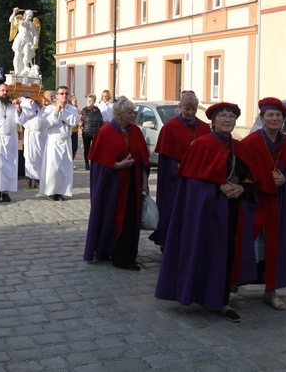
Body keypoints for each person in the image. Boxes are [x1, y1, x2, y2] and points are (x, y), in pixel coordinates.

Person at [154, 102, 257, 323]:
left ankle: (222, 299)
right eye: (223, 116)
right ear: (213, 121)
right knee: (206, 252)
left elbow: (250, 178)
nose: (227, 120)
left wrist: (241, 188)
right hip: (206, 212)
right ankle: (201, 294)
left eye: (231, 116)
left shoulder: (239, 148)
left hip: (233, 211)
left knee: (227, 253)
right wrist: (217, 186)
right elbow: (190, 181)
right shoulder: (201, 144)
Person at [241, 97, 286, 311]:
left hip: (279, 204)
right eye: (270, 115)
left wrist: (285, 180)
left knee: (275, 248)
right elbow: (240, 174)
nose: (275, 118)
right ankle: (232, 283)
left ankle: (271, 291)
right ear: (262, 118)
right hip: (255, 203)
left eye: (278, 115)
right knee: (245, 244)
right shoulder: (251, 142)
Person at [84, 96, 150, 271]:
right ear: (119, 114)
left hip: (133, 185)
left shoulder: (135, 131)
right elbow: (99, 163)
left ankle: (126, 254)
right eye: (129, 112)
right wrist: (120, 165)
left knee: (130, 220)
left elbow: (143, 159)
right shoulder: (105, 132)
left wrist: (144, 181)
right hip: (113, 187)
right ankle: (112, 252)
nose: (133, 115)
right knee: (112, 219)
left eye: (133, 112)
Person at [149, 90, 211, 248]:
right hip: (175, 181)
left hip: (197, 179)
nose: (190, 112)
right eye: (186, 109)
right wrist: (178, 168)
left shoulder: (204, 128)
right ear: (180, 107)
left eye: (193, 109)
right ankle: (169, 243)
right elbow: (165, 159)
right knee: (174, 211)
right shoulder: (170, 127)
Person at [39, 86, 79, 201]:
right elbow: (45, 123)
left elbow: (74, 121)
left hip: (66, 142)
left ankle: (61, 191)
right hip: (54, 141)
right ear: (57, 95)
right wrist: (56, 111)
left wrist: (63, 112)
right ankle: (51, 191)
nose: (64, 96)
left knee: (64, 169)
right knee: (54, 168)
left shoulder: (71, 109)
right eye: (61, 93)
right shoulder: (49, 108)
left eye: (66, 93)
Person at [21, 97, 47, 189]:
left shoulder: (45, 108)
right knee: (29, 157)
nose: (38, 102)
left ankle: (38, 180)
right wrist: (28, 101)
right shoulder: (29, 105)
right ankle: (29, 178)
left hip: (41, 135)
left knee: (40, 157)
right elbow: (22, 115)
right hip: (30, 134)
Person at [9, 7, 40, 74]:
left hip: (28, 41)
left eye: (31, 15)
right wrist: (14, 12)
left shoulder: (32, 24)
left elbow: (35, 34)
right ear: (25, 15)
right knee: (17, 55)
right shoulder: (20, 22)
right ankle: (16, 69)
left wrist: (35, 44)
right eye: (28, 15)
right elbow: (11, 20)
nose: (30, 17)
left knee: (27, 54)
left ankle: (26, 68)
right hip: (20, 40)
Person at [80, 94, 103, 170]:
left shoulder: (97, 111)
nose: (89, 102)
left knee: (96, 149)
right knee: (87, 149)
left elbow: (101, 121)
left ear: (94, 102)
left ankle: (95, 163)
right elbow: (80, 120)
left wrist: (100, 130)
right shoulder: (84, 110)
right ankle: (87, 163)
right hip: (86, 132)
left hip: (95, 133)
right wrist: (82, 128)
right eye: (88, 101)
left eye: (91, 101)